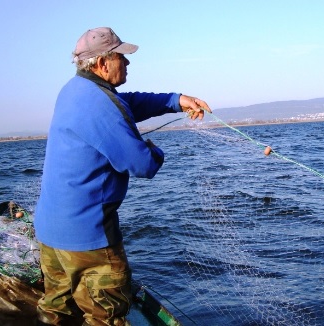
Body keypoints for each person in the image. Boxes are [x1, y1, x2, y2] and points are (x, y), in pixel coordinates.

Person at [34, 27, 211, 326]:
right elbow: (142, 164)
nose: (128, 63)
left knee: (55, 312)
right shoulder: (101, 104)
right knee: (107, 317)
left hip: (51, 233)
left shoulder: (76, 89)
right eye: (122, 57)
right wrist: (153, 149)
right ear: (103, 63)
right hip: (88, 239)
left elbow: (127, 103)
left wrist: (176, 99)